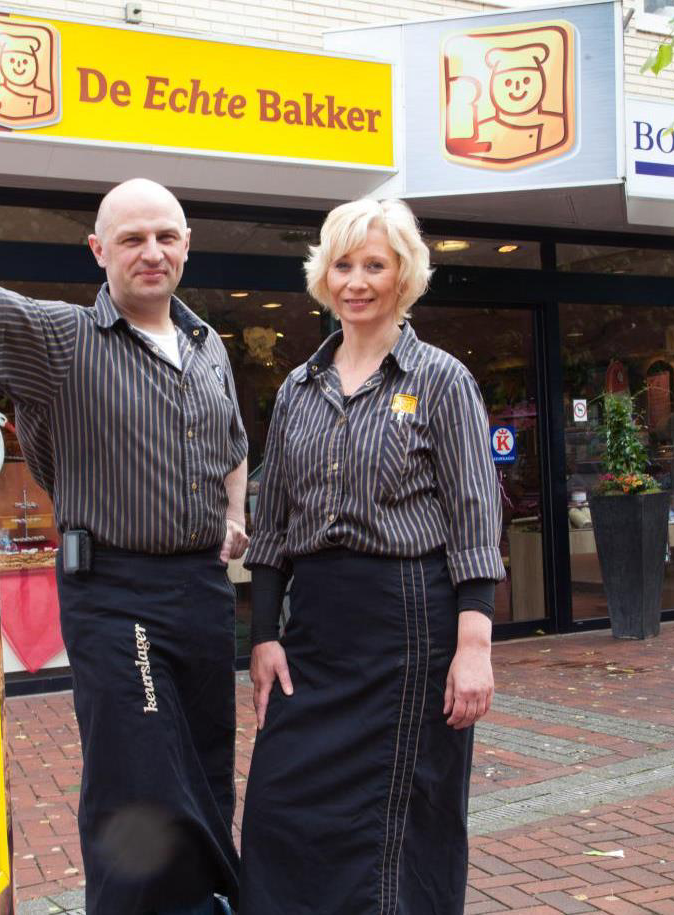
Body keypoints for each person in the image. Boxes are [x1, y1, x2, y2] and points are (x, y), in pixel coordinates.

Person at [0, 178, 247, 915]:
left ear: (187, 245)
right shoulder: (60, 337)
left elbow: (232, 445)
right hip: (114, 589)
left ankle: (207, 902)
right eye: (132, 238)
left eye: (165, 236)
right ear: (99, 250)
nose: (151, 251)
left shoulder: (207, 346)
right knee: (139, 774)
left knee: (202, 764)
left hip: (200, 587)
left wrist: (232, 513)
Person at [240, 197, 505, 914]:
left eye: (374, 265)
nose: (356, 280)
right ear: (324, 276)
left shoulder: (440, 379)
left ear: (403, 276)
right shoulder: (298, 388)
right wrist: (263, 635)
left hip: (409, 622)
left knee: (400, 812)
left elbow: (475, 518)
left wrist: (473, 642)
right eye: (343, 264)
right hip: (316, 629)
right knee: (278, 802)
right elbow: (272, 528)